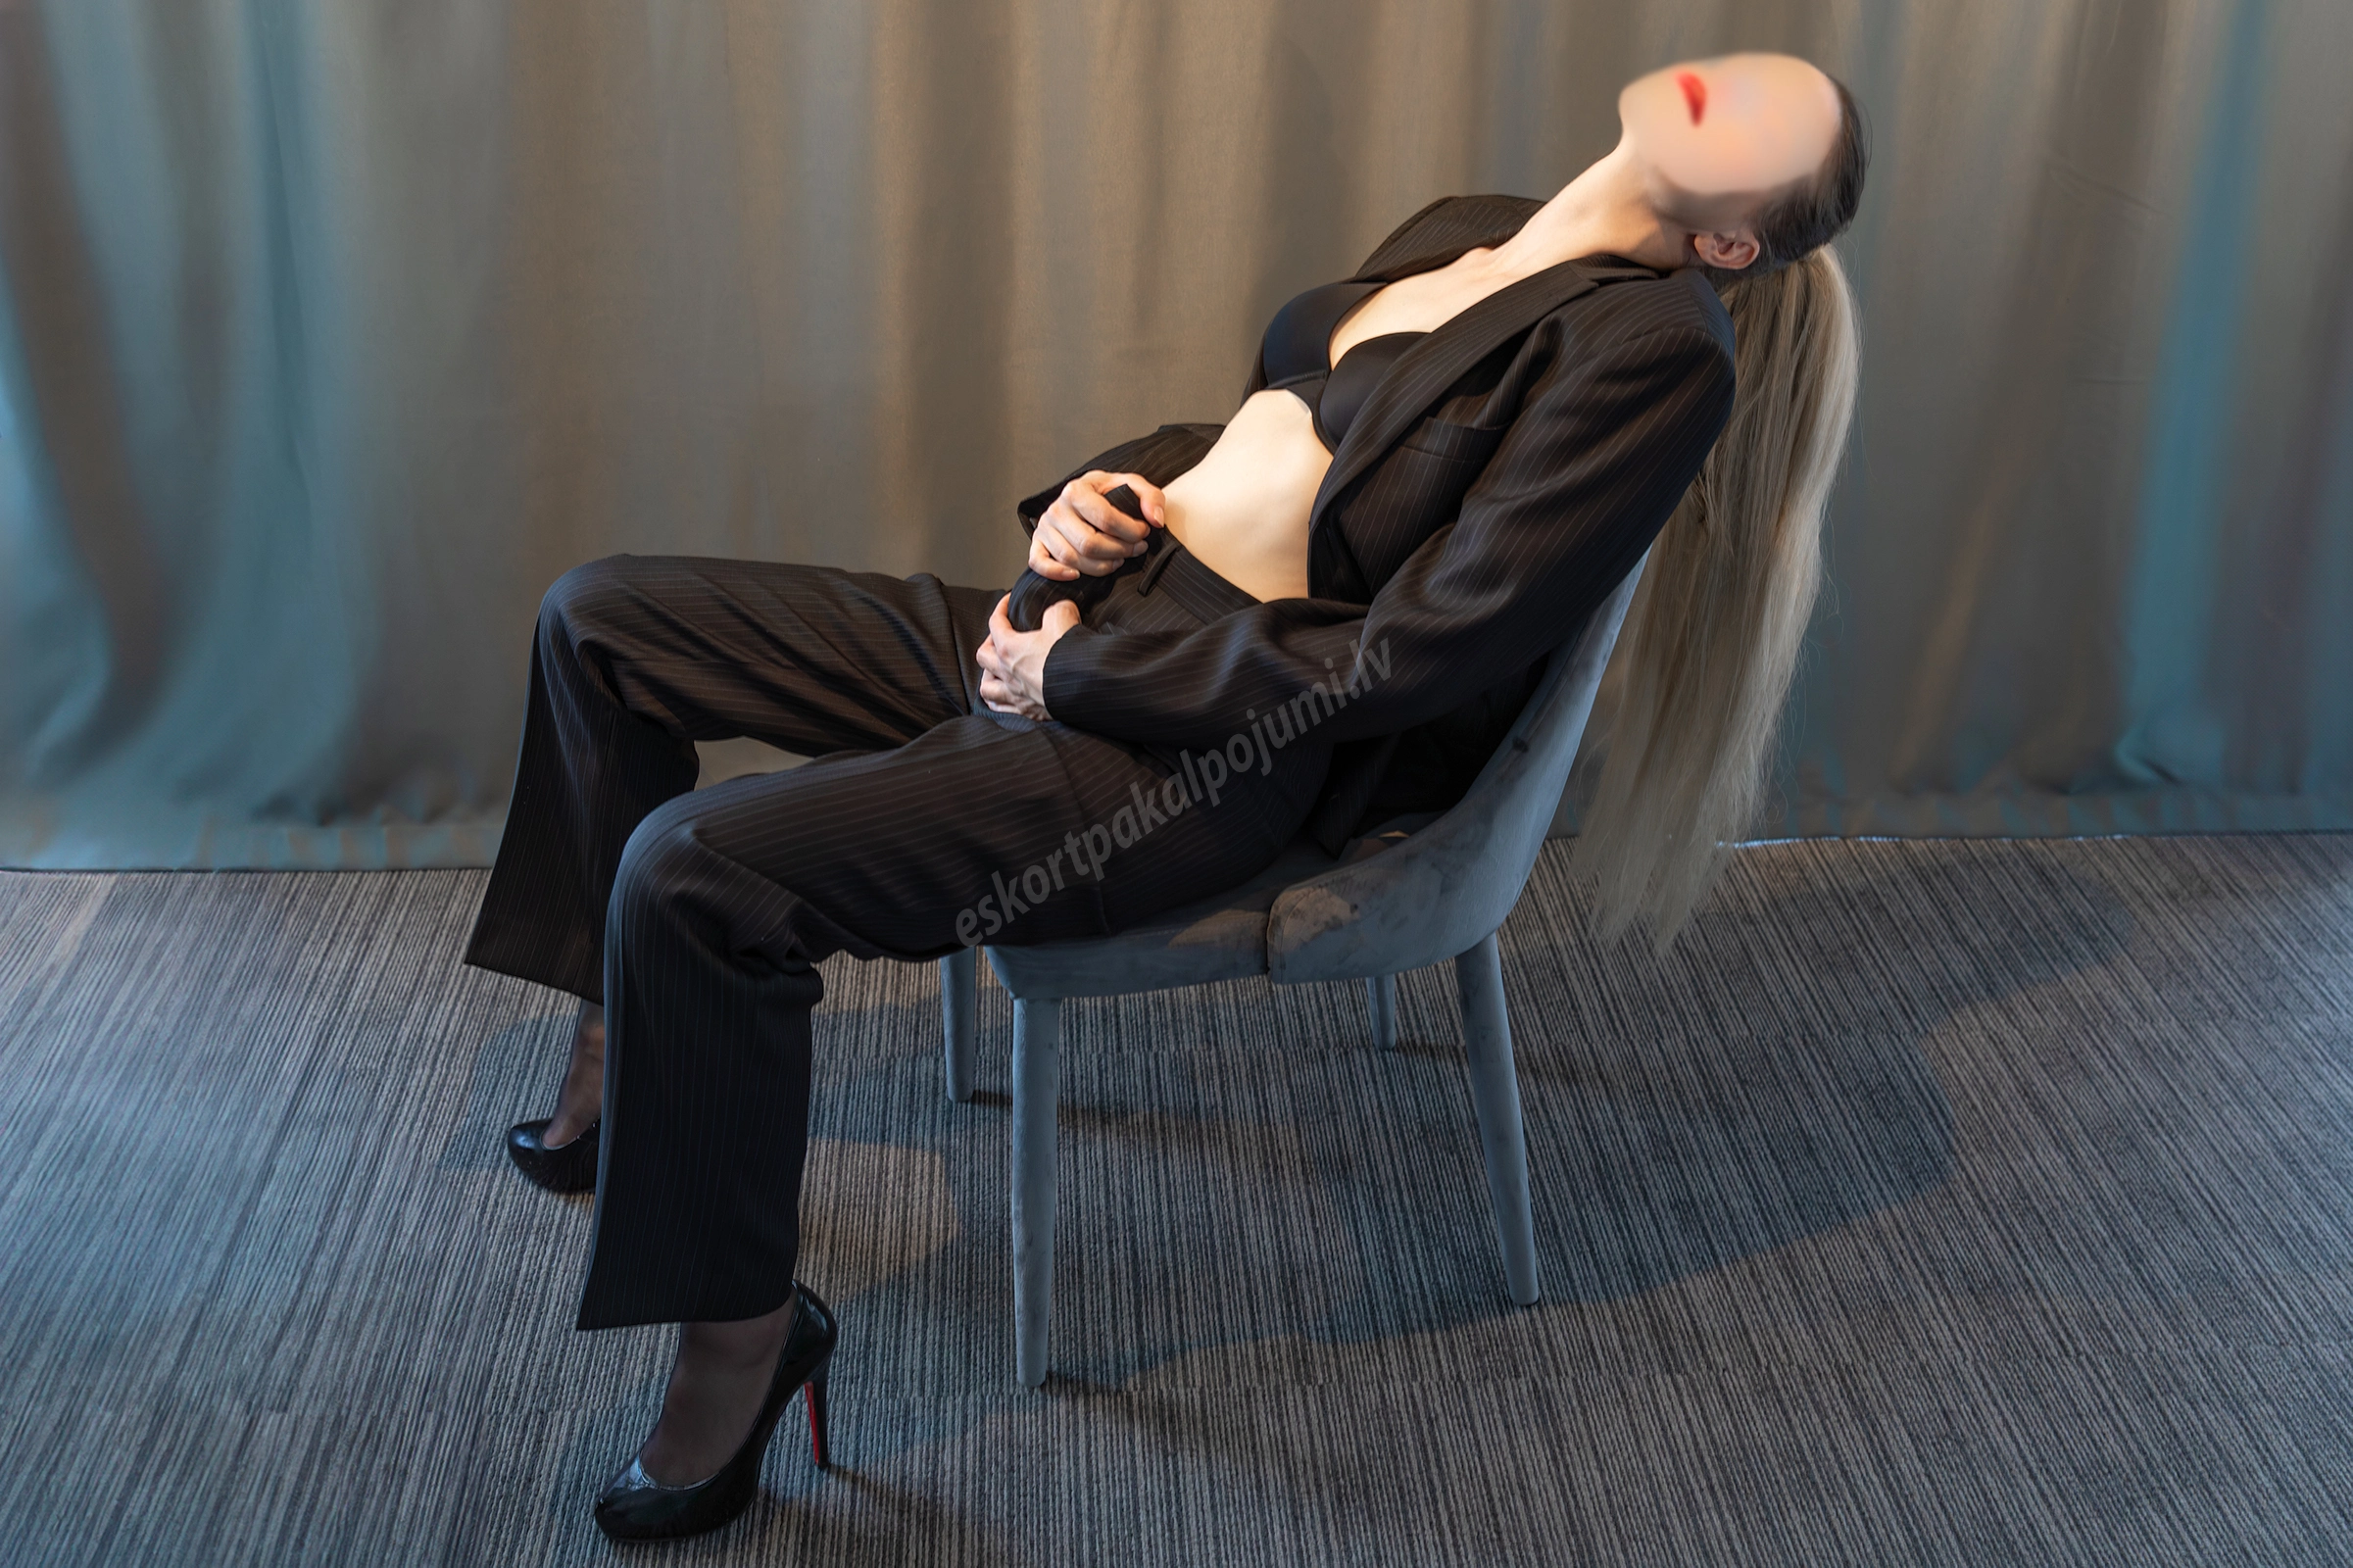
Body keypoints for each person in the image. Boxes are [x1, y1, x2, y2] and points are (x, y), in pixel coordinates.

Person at [464, 51, 1866, 1542]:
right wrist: (1106, 492)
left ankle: (741, 1334)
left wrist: (1075, 680)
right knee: (602, 621)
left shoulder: (1659, 351)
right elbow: (1272, 434)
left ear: (1732, 241)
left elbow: (1422, 650)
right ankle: (622, 1042)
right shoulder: (1476, 228)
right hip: (1112, 613)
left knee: (695, 872)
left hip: (1197, 746)